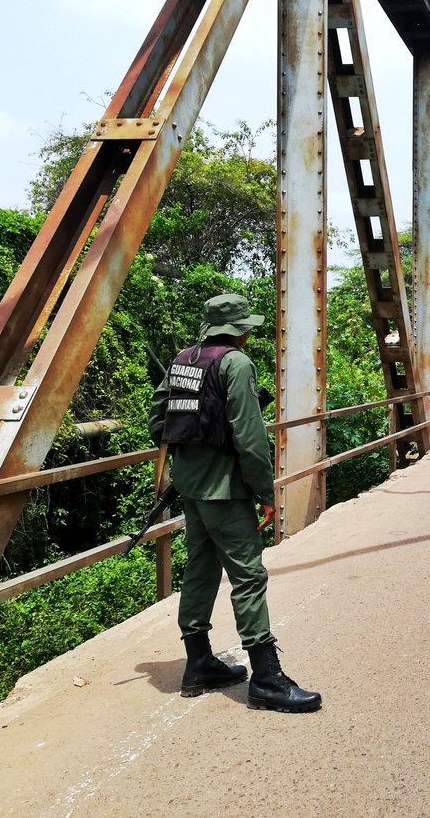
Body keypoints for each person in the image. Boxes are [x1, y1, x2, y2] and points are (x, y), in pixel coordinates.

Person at [148, 293, 320, 713]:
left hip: (190, 489)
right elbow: (249, 436)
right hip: (226, 491)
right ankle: (266, 679)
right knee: (248, 578)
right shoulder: (236, 363)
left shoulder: (183, 359)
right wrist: (264, 492)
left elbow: (158, 421)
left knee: (200, 573)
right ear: (239, 329)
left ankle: (199, 663)